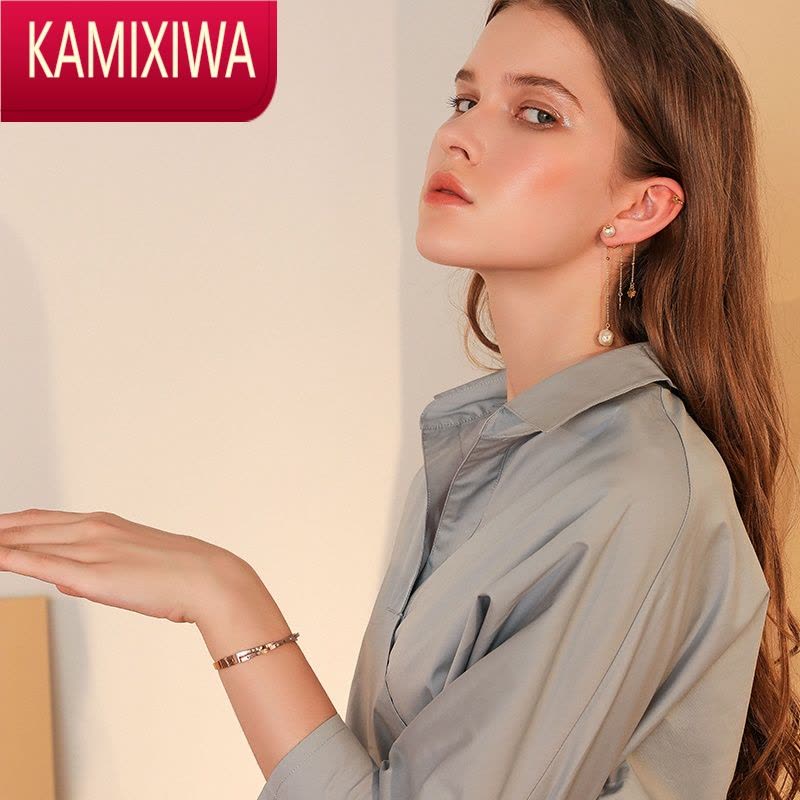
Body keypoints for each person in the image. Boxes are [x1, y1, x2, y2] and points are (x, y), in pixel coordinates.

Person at [0, 1, 798, 799]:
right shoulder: (485, 450)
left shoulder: (629, 488)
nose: (459, 135)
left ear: (639, 207)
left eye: (537, 113)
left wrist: (224, 597)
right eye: (465, 99)